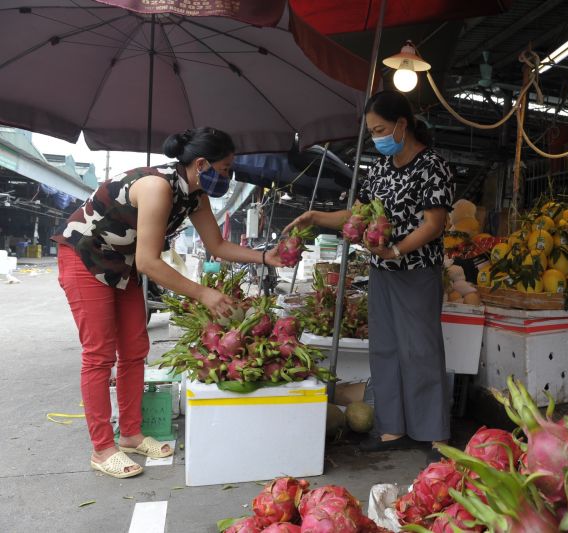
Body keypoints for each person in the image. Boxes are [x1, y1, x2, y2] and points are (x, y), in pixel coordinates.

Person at [52, 127, 283, 479]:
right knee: (99, 354)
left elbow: (217, 246)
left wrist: (268, 257)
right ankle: (102, 448)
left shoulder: (195, 195)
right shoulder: (157, 186)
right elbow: (148, 262)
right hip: (85, 258)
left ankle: (130, 433)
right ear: (202, 163)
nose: (228, 177)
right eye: (224, 169)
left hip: (121, 264)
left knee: (134, 349)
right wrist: (203, 293)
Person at [285, 90, 454, 462]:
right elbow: (356, 216)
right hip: (382, 272)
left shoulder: (433, 166)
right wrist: (316, 217)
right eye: (372, 131)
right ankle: (392, 429)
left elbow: (433, 224)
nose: (376, 137)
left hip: (417, 271)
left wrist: (396, 249)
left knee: (421, 351)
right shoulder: (378, 170)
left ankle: (433, 434)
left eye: (380, 129)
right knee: (386, 350)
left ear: (401, 125)